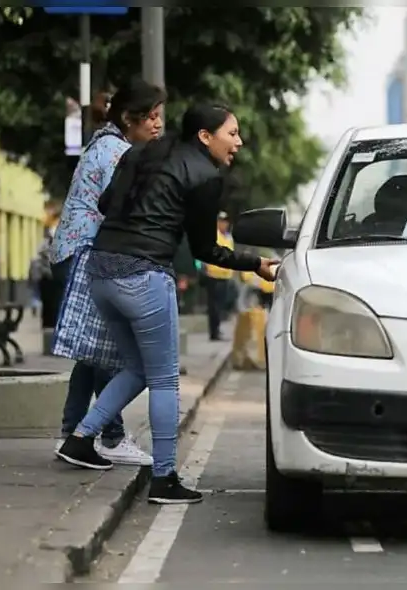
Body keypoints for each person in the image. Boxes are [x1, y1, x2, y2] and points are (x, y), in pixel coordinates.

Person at [55, 104, 279, 505]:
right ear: (205, 137)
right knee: (163, 379)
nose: (239, 142)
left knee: (137, 368)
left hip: (101, 271)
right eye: (233, 133)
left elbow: (106, 204)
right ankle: (164, 479)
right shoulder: (206, 176)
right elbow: (206, 249)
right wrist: (256, 263)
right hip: (144, 276)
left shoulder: (137, 153)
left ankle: (80, 439)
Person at [49, 78, 167, 466]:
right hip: (88, 253)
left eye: (159, 117)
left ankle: (73, 433)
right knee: (105, 351)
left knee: (91, 352)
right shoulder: (119, 153)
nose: (157, 125)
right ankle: (110, 436)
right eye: (150, 117)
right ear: (129, 119)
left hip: (75, 251)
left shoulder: (104, 144)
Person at [200, 212, 235, 341]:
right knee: (213, 306)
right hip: (213, 275)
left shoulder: (228, 237)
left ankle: (217, 329)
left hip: (225, 276)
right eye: (221, 221)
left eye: (226, 221)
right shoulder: (214, 236)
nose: (224, 224)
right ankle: (214, 332)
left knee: (220, 305)